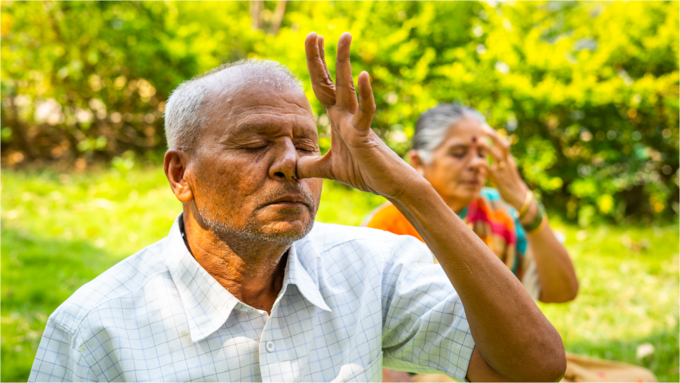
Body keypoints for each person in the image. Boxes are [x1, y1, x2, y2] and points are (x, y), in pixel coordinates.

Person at [29, 33, 566, 382]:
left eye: (307, 144)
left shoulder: (370, 267)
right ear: (180, 174)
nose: (291, 164)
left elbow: (535, 369)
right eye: (253, 143)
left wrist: (409, 189)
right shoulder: (94, 329)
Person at [365, 103, 657, 383]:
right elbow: (369, 331)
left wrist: (523, 201)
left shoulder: (500, 212)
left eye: (482, 153)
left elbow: (562, 290)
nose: (477, 164)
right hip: (431, 368)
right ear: (417, 162)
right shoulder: (389, 225)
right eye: (459, 153)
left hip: (509, 365)